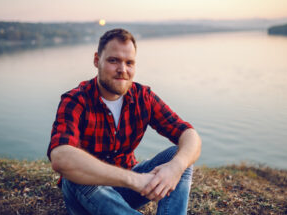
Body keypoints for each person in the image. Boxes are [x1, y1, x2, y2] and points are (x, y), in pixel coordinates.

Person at [47, 28, 201, 215]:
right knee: (74, 172)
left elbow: (189, 135)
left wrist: (176, 167)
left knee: (178, 154)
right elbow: (61, 157)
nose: (123, 70)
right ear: (97, 61)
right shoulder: (76, 100)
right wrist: (133, 180)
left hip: (126, 194)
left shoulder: (143, 97)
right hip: (86, 196)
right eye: (114, 61)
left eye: (129, 63)